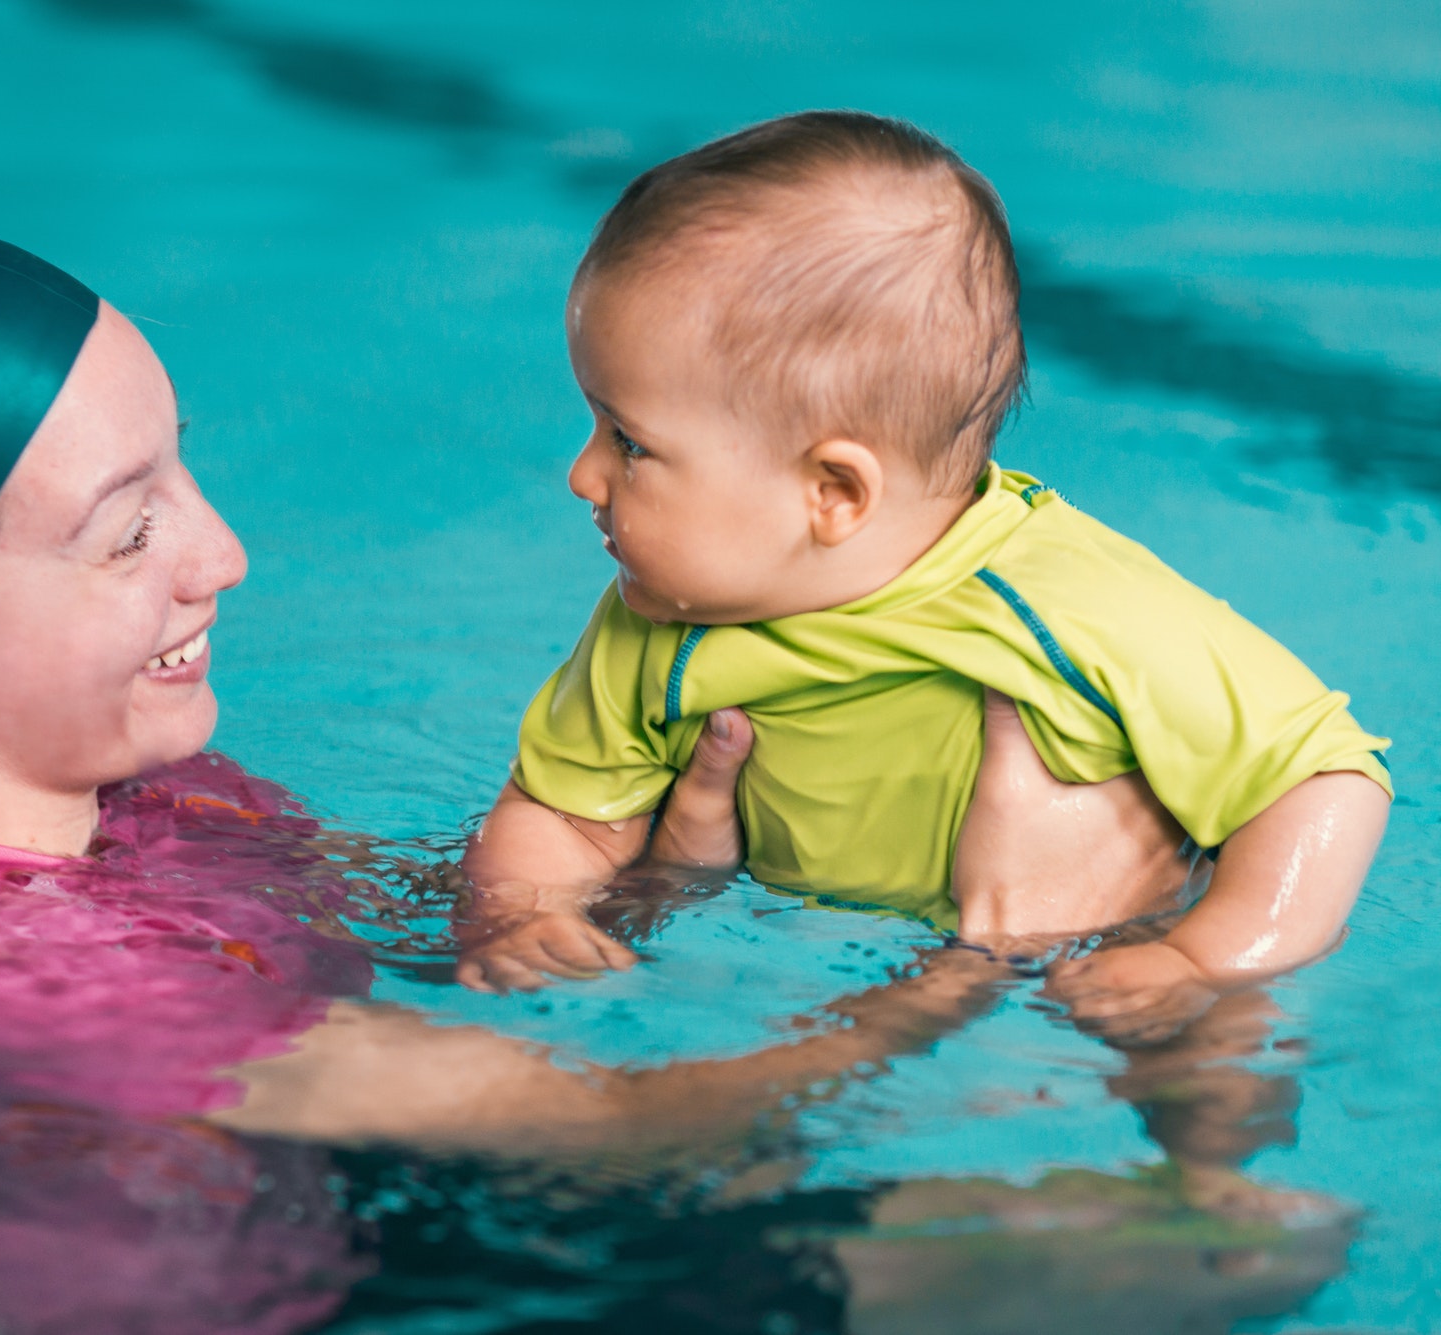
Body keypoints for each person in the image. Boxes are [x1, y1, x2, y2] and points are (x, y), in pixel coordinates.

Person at [0, 206, 1203, 1328]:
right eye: (128, 537)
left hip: (311, 1213)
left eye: (182, 473)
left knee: (1168, 1264)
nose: (227, 555)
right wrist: (996, 955)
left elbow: (414, 944)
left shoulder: (137, 793)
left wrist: (674, 869)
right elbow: (615, 1131)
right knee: (1156, 1273)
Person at [460, 111, 1393, 1049]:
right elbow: (565, 819)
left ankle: (1218, 1180)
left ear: (832, 491)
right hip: (842, 981)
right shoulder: (657, 631)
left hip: (1127, 941)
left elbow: (1324, 779)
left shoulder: (1071, 609)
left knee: (1207, 1063)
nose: (582, 475)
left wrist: (1205, 957)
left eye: (628, 442)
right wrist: (524, 913)